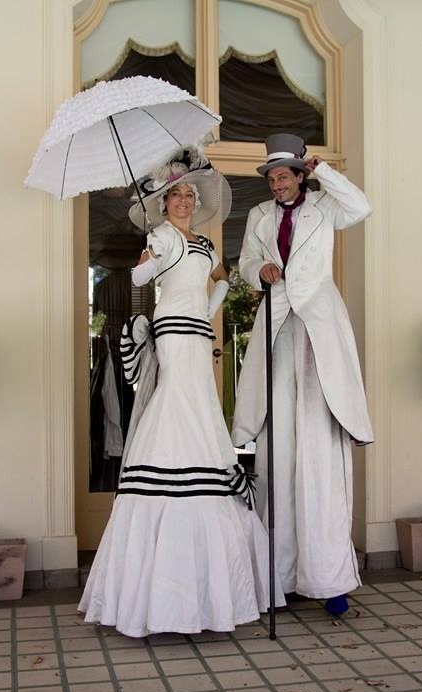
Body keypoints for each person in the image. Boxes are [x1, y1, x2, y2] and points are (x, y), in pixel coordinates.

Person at [79, 147, 285, 637]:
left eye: (190, 195)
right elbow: (138, 279)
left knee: (202, 408)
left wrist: (219, 293)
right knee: (176, 401)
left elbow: (219, 285)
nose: (185, 202)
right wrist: (147, 263)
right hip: (171, 331)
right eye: (177, 195)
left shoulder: (208, 245)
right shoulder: (161, 237)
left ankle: (205, 468)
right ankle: (170, 467)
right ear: (164, 201)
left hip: (200, 334)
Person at [232, 133, 374, 615]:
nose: (276, 183)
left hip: (319, 331)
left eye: (284, 175)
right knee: (278, 455)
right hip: (277, 327)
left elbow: (360, 207)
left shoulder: (324, 207)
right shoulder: (258, 217)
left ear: (299, 175)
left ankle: (329, 578)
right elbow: (246, 261)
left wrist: (326, 171)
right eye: (271, 177)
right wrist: (260, 271)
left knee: (318, 456)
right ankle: (281, 577)